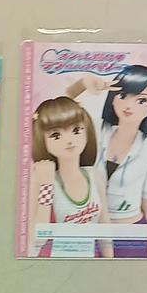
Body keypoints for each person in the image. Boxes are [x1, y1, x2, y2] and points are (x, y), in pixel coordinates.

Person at [65, 66, 147, 258]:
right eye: (123, 95)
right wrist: (83, 83)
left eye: (141, 100)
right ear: (113, 97)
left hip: (130, 233)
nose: (129, 105)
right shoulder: (98, 130)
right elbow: (60, 112)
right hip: (91, 228)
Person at [30, 97, 112, 258]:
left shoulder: (94, 175)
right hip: (53, 265)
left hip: (89, 262)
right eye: (56, 135)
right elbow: (38, 239)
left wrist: (110, 261)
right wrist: (46, 186)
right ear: (42, 140)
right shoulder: (41, 180)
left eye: (76, 130)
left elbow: (105, 227)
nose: (69, 140)